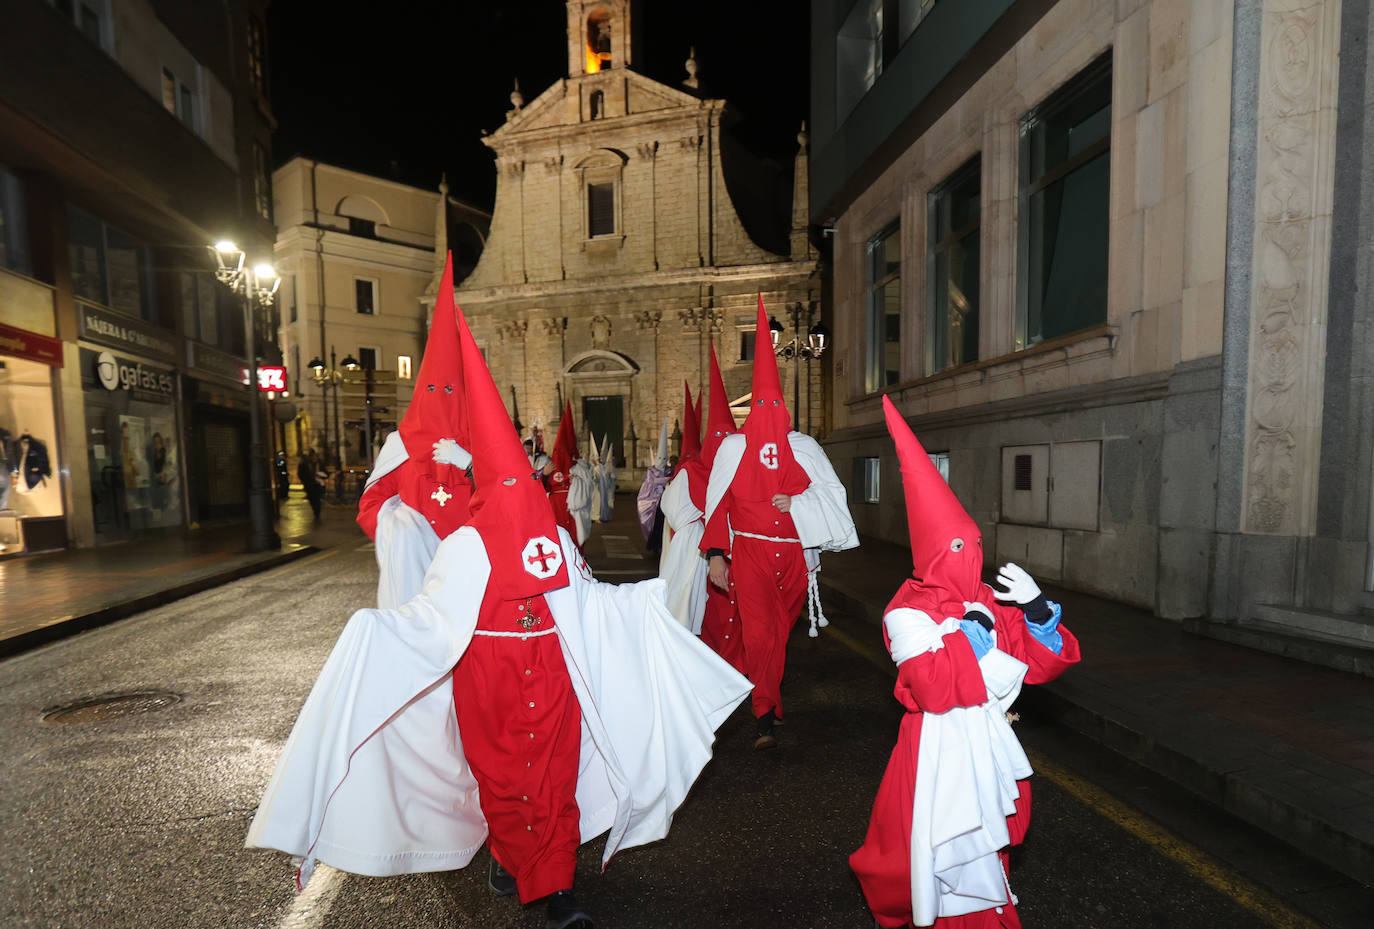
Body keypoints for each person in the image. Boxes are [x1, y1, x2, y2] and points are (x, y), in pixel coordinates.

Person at [247, 297, 751, 929]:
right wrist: (379, 629)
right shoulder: (464, 545)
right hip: (490, 673)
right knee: (509, 776)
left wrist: (644, 601)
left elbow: (588, 599)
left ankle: (555, 887)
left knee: (557, 774)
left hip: (553, 664)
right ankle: (521, 863)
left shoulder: (553, 537)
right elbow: (433, 619)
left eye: (526, 492)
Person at [850, 396, 1081, 929]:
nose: (969, 553)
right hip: (933, 751)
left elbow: (1039, 665)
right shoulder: (905, 610)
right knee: (937, 856)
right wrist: (973, 635)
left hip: (989, 741)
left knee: (989, 851)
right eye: (958, 545)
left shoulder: (988, 595)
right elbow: (931, 687)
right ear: (933, 551)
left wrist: (1038, 611)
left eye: (973, 542)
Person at [701, 296, 858, 749]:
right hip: (749, 553)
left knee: (781, 632)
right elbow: (719, 506)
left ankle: (771, 696)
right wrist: (716, 555)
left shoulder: (804, 448)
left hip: (793, 557)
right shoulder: (733, 450)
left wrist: (799, 504)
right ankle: (764, 713)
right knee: (760, 632)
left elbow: (830, 495)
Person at [355, 253, 473, 607]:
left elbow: (510, 498)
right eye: (432, 391)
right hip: (416, 580)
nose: (440, 399)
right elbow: (371, 504)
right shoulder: (400, 445)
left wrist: (470, 463)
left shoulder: (480, 441)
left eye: (449, 391)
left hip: (470, 569)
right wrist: (400, 531)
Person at [658, 349, 744, 671]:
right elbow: (676, 512)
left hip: (739, 554)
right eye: (717, 439)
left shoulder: (741, 471)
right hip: (699, 555)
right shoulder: (691, 472)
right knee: (704, 612)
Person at [546, 402, 579, 544]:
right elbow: (548, 481)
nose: (561, 455)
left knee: (574, 529)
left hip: (573, 501)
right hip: (557, 502)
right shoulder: (550, 465)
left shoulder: (577, 467)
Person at [637, 420, 670, 550]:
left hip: (665, 505)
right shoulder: (651, 473)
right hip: (654, 506)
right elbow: (648, 488)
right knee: (656, 527)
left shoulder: (669, 471)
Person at [298, 449, 326, 521]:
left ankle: (317, 512)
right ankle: (315, 510)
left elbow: (325, 472)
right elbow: (301, 473)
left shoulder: (319, 463)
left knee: (317, 500)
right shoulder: (305, 464)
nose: (314, 458)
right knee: (312, 499)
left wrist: (322, 475)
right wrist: (305, 480)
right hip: (309, 484)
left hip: (318, 484)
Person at [596, 435, 616, 523]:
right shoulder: (598, 467)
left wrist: (610, 474)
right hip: (599, 488)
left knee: (606, 502)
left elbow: (614, 476)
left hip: (607, 488)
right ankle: (599, 516)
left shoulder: (609, 466)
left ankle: (605, 516)